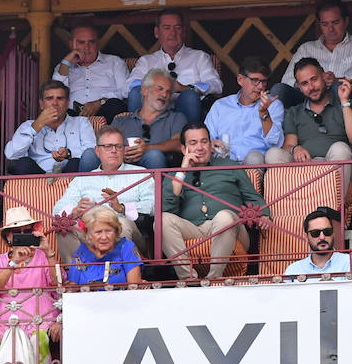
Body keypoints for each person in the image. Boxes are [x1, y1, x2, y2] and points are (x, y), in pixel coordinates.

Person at [160, 123, 270, 280]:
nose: (200, 147)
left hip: (232, 229)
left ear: (211, 145)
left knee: (224, 216)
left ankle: (213, 279)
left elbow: (253, 197)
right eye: (193, 143)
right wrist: (182, 172)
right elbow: (167, 209)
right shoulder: (175, 175)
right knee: (162, 219)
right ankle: (188, 278)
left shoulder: (230, 166)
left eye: (204, 141)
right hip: (193, 229)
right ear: (184, 150)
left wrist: (264, 215)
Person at [0, 207, 59, 364]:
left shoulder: (43, 257)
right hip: (3, 323)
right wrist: (13, 263)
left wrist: (49, 252)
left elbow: (58, 284)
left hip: (39, 321)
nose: (22, 235)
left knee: (40, 340)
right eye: (16, 232)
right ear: (7, 237)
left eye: (27, 231)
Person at [52, 126, 154, 264]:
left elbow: (153, 206)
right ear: (97, 151)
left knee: (121, 225)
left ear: (124, 150)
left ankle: (120, 277)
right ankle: (78, 278)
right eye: (108, 146)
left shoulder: (141, 174)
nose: (113, 150)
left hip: (129, 231)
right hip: (91, 233)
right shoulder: (82, 179)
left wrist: (122, 208)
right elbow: (58, 210)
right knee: (65, 227)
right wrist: (76, 210)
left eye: (118, 146)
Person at [266, 58, 352, 190]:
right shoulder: (294, 112)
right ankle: (289, 205)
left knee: (340, 148)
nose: (311, 87)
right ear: (299, 87)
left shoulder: (347, 104)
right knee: (273, 154)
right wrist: (295, 149)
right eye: (305, 83)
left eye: (314, 79)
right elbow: (288, 145)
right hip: (304, 169)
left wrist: (344, 102)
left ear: (324, 77)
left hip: (337, 166)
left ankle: (334, 208)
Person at [277, 0, 352, 107]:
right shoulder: (306, 49)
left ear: (346, 21)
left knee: (337, 87)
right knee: (279, 89)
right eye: (325, 24)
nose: (330, 29)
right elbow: (286, 80)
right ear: (320, 24)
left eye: (335, 22)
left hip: (343, 100)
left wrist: (337, 80)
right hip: (308, 100)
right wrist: (310, 82)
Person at [127, 8, 223, 122]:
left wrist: (187, 88)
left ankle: (188, 138)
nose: (173, 33)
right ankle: (139, 136)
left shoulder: (199, 57)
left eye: (177, 28)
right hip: (153, 112)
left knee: (190, 96)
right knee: (136, 92)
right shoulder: (147, 61)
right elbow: (129, 85)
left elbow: (217, 85)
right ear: (157, 32)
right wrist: (157, 88)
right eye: (167, 28)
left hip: (187, 111)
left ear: (183, 31)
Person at [4, 81, 97, 175]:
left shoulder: (81, 122)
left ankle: (63, 185)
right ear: (41, 104)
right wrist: (36, 127)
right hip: (38, 176)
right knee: (22, 164)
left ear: (67, 104)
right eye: (49, 98)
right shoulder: (29, 125)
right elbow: (11, 154)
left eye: (60, 98)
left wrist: (69, 153)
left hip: (71, 173)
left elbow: (92, 153)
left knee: (75, 163)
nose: (55, 103)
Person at [203, 56, 283, 165]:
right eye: (255, 80)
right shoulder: (220, 106)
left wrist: (264, 114)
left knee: (254, 157)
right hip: (224, 164)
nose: (260, 86)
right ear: (240, 80)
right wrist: (210, 144)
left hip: (256, 165)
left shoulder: (273, 105)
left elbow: (276, 143)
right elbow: (204, 139)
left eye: (263, 81)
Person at [53, 20, 130, 121]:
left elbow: (125, 91)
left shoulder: (115, 62)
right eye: (81, 42)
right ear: (71, 44)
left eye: (91, 42)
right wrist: (66, 61)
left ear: (98, 43)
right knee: (58, 111)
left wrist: (100, 102)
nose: (87, 47)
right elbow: (54, 92)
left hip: (106, 109)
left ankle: (109, 136)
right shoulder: (63, 67)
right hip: (73, 114)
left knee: (115, 105)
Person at [112, 68, 186, 169]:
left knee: (153, 155)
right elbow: (107, 146)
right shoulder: (120, 121)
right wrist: (120, 154)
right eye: (160, 89)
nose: (165, 95)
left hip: (158, 171)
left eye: (169, 92)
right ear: (145, 90)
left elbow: (179, 143)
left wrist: (148, 148)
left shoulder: (176, 118)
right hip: (122, 173)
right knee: (90, 155)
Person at [66, 205, 143, 286]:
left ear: (116, 231)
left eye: (108, 231)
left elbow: (134, 287)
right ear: (89, 234)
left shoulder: (126, 248)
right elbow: (72, 285)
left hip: (120, 298)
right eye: (98, 232)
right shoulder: (82, 252)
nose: (104, 237)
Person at [283, 207, 352, 278]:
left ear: (333, 233)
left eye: (327, 231)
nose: (322, 237)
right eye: (315, 233)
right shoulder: (293, 270)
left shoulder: (350, 264)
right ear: (306, 237)